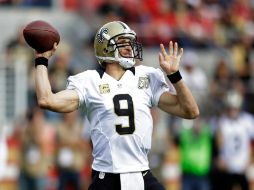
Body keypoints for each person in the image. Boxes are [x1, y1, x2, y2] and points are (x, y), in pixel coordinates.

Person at [33, 21, 199, 190]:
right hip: (107, 176)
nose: (130, 48)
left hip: (141, 173)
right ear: (105, 48)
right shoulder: (89, 81)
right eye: (123, 43)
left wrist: (174, 75)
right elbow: (46, 100)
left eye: (130, 43)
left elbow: (191, 111)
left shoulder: (146, 77)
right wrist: (41, 59)